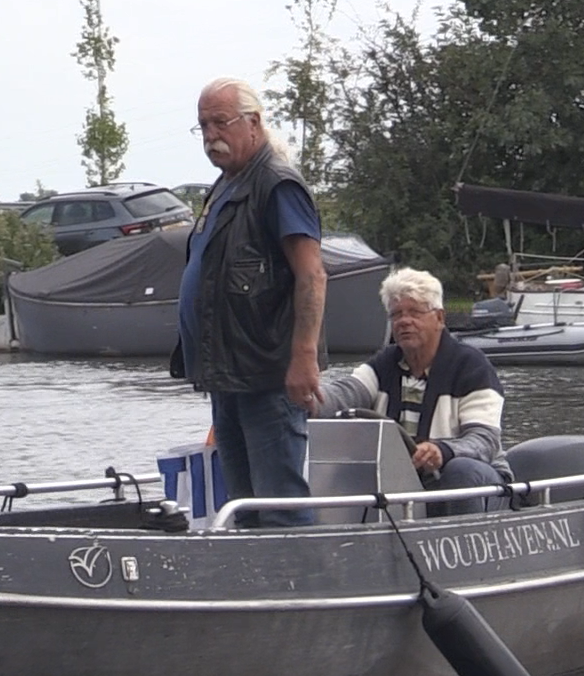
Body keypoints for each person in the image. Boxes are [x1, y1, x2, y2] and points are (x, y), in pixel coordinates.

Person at [171, 77, 328, 527]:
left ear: (254, 123)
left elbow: (312, 275)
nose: (210, 136)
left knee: (279, 502)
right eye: (202, 125)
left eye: (221, 122)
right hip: (228, 375)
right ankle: (257, 590)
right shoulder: (223, 187)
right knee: (242, 503)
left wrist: (302, 360)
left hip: (268, 375)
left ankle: (298, 591)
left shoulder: (277, 184)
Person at [319, 267, 513, 515]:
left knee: (461, 470)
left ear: (440, 318)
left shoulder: (471, 366)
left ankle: (462, 546)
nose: (404, 321)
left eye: (415, 312)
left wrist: (443, 450)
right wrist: (307, 399)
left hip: (478, 480)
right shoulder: (384, 364)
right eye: (396, 314)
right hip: (407, 480)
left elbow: (484, 441)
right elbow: (345, 392)